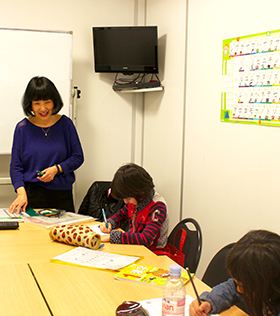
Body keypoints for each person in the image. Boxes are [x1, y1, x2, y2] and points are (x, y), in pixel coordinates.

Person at [9, 76, 84, 213]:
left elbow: (78, 157)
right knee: (33, 233)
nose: (43, 108)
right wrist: (21, 193)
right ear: (30, 104)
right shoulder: (22, 128)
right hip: (32, 196)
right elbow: (16, 166)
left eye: (47, 102)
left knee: (63, 233)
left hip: (62, 195)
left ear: (54, 102)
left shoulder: (66, 124)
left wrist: (57, 169)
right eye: (37, 103)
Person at [189, 230, 280, 316]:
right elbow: (231, 288)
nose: (238, 290)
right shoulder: (265, 285)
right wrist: (209, 302)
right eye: (237, 283)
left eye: (242, 286)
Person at [99, 163, 169, 252]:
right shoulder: (135, 202)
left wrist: (112, 236)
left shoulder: (157, 207)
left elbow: (146, 238)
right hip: (136, 248)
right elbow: (120, 216)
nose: (125, 202)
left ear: (141, 192)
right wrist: (109, 223)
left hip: (154, 253)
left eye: (128, 198)